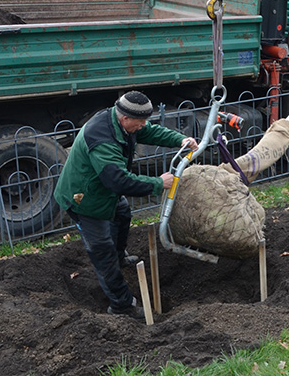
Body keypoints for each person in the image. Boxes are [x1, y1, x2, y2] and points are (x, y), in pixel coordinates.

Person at [54, 91, 198, 319]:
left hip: (103, 190)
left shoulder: (120, 122)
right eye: (140, 122)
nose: (143, 126)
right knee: (103, 252)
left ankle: (120, 255)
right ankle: (121, 305)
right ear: (125, 119)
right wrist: (158, 183)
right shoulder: (102, 139)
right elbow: (118, 181)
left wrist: (179, 140)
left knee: (122, 214)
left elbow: (149, 131)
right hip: (84, 198)